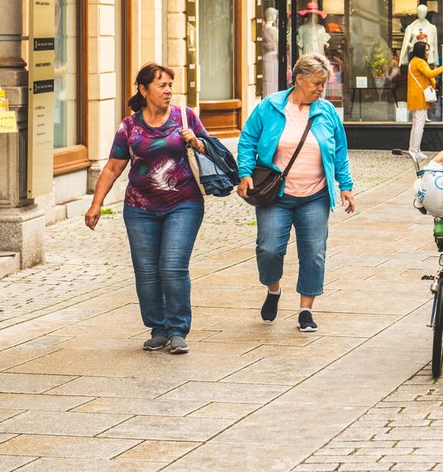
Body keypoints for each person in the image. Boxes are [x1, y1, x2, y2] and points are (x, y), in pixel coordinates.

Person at [86, 63, 209, 355]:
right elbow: (114, 166)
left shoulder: (185, 116)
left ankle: (178, 330)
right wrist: (96, 204)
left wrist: (196, 141)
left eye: (170, 85)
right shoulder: (129, 126)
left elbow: (211, 148)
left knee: (172, 266)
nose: (168, 91)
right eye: (161, 85)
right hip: (139, 207)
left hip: (184, 203)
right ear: (144, 90)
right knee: (146, 271)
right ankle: (158, 329)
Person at [237, 53, 357, 333]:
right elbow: (247, 139)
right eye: (316, 83)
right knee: (269, 249)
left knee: (314, 253)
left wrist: (346, 186)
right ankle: (273, 289)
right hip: (275, 195)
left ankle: (306, 310)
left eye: (323, 84)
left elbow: (339, 150)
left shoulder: (326, 111)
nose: (320, 89)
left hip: (314, 196)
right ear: (298, 79)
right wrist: (244, 172)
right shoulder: (271, 106)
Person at [405, 41, 443, 157]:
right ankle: (414, 151)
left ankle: (414, 149)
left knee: (416, 124)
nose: (428, 52)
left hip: (416, 96)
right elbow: (430, 74)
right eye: (426, 50)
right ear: (421, 51)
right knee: (419, 125)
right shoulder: (419, 62)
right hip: (420, 97)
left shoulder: (414, 61)